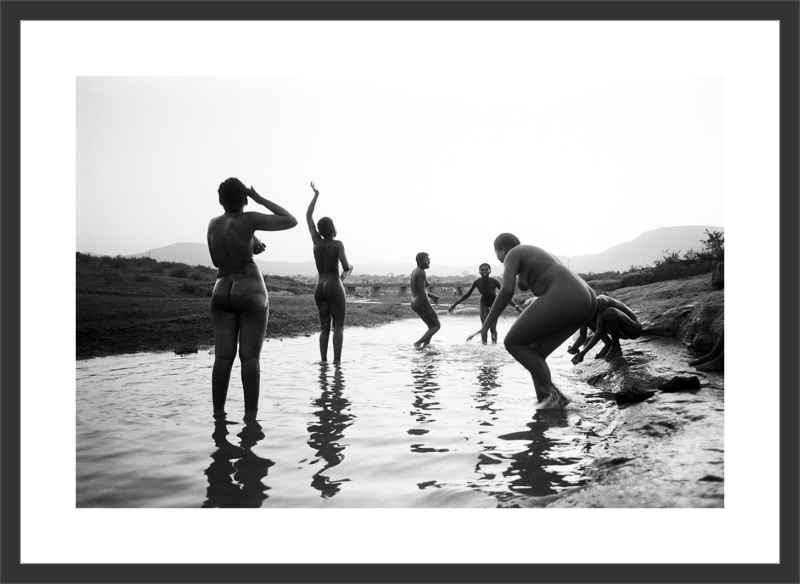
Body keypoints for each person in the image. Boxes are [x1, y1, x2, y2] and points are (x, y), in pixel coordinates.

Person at [467, 233, 597, 408]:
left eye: (496, 252)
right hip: (587, 299)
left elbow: (506, 291)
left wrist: (486, 325)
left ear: (501, 249)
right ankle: (547, 403)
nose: (497, 257)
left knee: (513, 342)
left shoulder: (513, 253)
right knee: (535, 353)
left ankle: (554, 396)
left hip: (568, 294)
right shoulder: (531, 254)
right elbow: (523, 282)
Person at [207, 178, 297, 415]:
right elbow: (290, 220)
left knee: (222, 359)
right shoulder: (249, 219)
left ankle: (219, 418)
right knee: (249, 359)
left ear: (220, 200)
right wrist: (259, 198)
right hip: (249, 288)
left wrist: (251, 241)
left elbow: (217, 260)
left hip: (221, 289)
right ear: (244, 199)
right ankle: (251, 421)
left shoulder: (212, 225)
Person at [307, 182, 353, 364]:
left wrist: (316, 196)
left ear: (319, 230)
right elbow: (346, 266)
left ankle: (323, 362)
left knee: (324, 327)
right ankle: (337, 365)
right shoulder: (337, 244)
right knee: (339, 326)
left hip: (319, 286)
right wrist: (347, 272)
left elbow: (308, 216)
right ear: (333, 229)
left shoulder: (316, 242)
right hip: (334, 285)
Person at [448, 263, 523, 344]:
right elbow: (467, 294)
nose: (484, 271)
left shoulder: (494, 282)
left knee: (493, 328)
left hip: (495, 303)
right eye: (482, 270)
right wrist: (455, 304)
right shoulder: (477, 282)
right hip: (484, 302)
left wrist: (517, 307)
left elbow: (505, 295)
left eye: (486, 270)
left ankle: (494, 346)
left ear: (489, 271)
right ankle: (484, 346)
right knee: (484, 326)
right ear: (479, 271)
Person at [568, 294, 642, 363]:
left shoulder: (602, 301)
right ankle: (608, 343)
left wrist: (583, 353)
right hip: (620, 332)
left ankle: (616, 347)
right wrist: (574, 347)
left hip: (633, 329)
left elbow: (599, 330)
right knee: (589, 320)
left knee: (609, 312)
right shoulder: (585, 312)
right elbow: (582, 336)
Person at [411, 252, 441, 347]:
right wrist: (429, 307)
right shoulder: (421, 272)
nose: (429, 262)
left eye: (429, 260)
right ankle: (418, 343)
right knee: (436, 326)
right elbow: (421, 291)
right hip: (421, 302)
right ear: (419, 261)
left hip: (414, 301)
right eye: (426, 260)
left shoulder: (415, 271)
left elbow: (421, 289)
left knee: (431, 327)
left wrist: (432, 296)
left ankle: (425, 347)